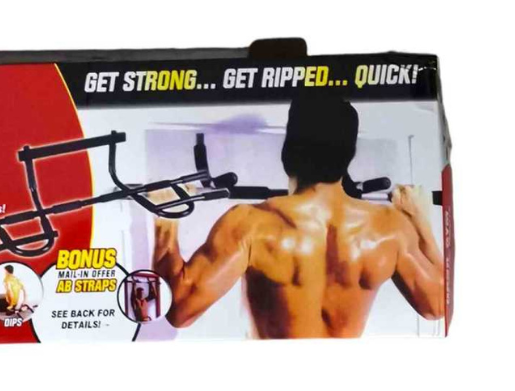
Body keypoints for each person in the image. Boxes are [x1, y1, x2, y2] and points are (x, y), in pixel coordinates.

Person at [152, 96, 445, 338]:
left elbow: (179, 309)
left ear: (289, 150)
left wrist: (166, 220)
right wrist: (420, 221)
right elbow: (438, 306)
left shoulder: (251, 225)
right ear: (348, 154)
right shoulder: (390, 228)